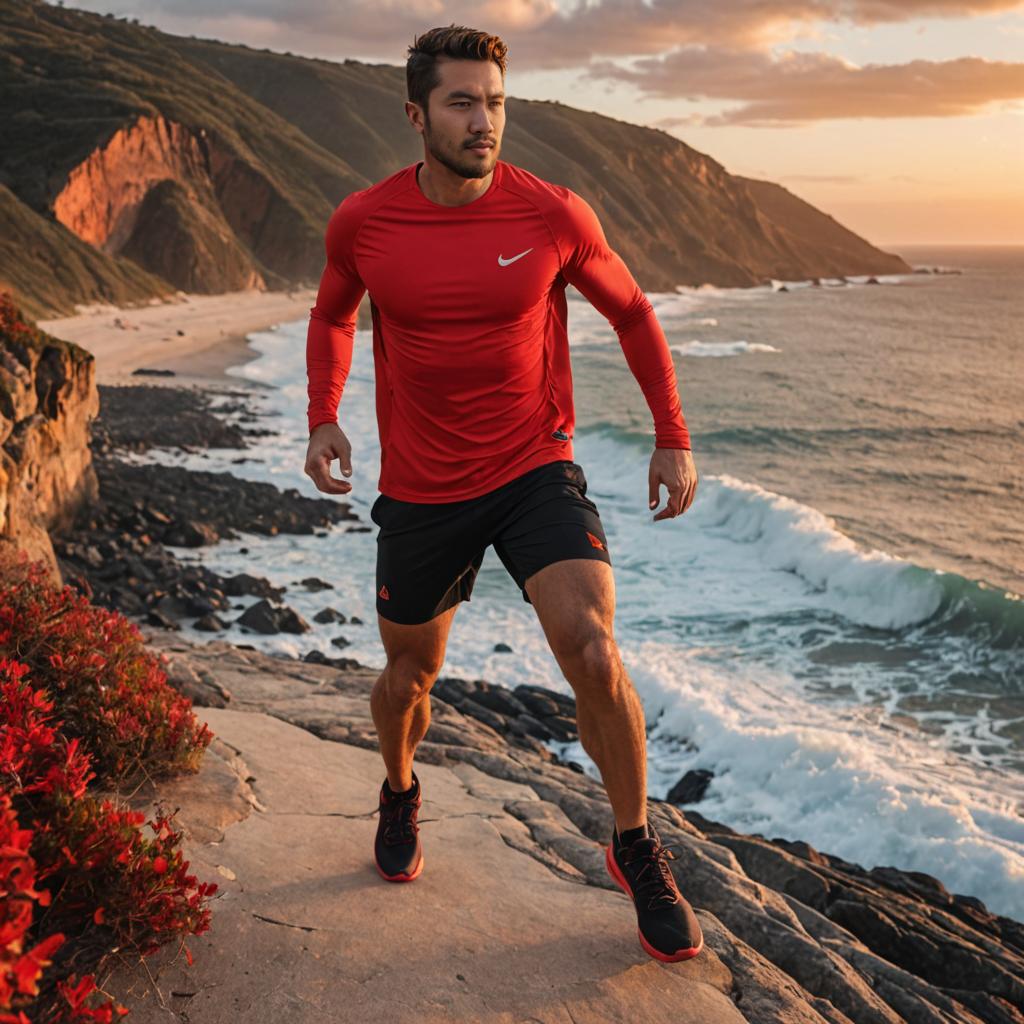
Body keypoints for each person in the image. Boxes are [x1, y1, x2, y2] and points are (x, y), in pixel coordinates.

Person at [303, 24, 702, 963]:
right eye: (462, 103)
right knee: (410, 679)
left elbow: (635, 312)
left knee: (595, 651)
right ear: (416, 115)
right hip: (422, 487)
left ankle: (636, 844)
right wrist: (324, 415)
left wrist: (672, 437)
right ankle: (401, 787)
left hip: (534, 467)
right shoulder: (365, 222)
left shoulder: (553, 213)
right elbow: (331, 314)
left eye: (495, 102)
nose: (485, 122)